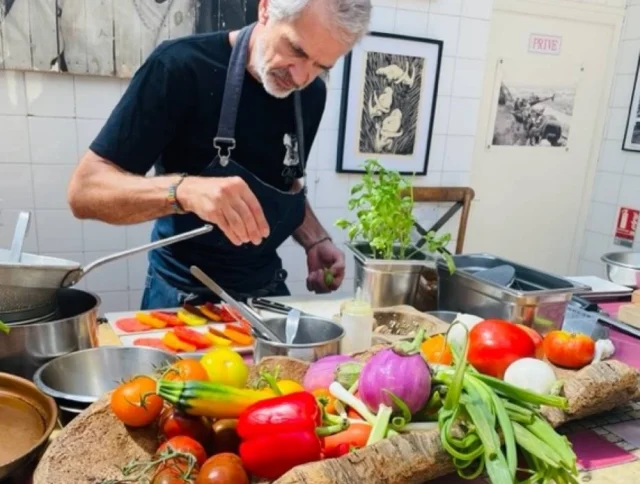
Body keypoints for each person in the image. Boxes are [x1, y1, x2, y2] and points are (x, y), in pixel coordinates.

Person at [67, 0, 372, 309]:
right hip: (181, 293)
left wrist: (315, 239)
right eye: (297, 50)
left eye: (321, 66)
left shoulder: (311, 95)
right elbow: (85, 191)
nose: (301, 77)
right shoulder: (179, 67)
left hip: (263, 291)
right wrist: (184, 191)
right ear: (265, 9)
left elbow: (283, 184)